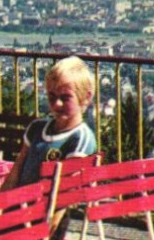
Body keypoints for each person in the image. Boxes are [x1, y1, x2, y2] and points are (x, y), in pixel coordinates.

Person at [9, 57, 98, 187]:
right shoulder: (36, 128)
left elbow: (67, 187)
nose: (57, 104)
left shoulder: (81, 138)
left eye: (65, 97)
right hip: (22, 202)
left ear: (85, 97)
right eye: (52, 97)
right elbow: (16, 172)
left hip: (50, 204)